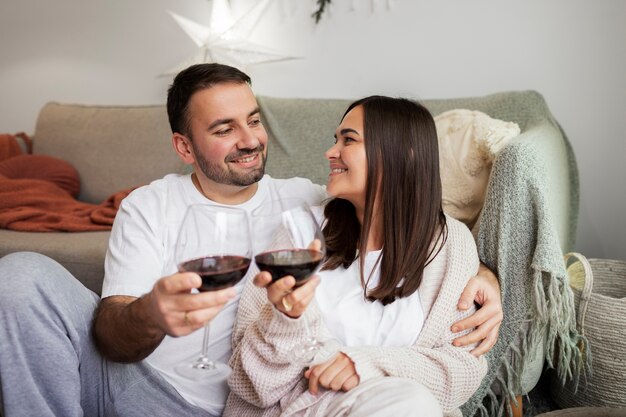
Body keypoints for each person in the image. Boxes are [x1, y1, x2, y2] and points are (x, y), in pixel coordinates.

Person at [0, 64, 501, 416]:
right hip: (141, 386)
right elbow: (111, 332)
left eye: (255, 120)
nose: (250, 139)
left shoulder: (308, 205)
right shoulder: (150, 206)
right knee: (21, 273)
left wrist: (484, 275)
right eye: (224, 128)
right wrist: (151, 313)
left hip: (255, 401)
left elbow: (404, 224)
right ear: (184, 146)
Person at [226, 96, 489, 417]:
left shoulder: (450, 244)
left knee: (410, 403)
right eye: (335, 139)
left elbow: (463, 368)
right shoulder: (300, 233)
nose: (330, 152)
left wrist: (363, 364)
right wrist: (285, 319)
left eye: (348, 140)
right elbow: (249, 383)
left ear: (401, 153)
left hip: (405, 408)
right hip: (306, 410)